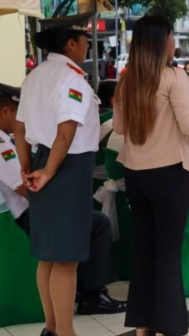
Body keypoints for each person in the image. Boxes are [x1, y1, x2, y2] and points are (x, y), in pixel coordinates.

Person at [113, 16, 189, 336]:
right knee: (168, 254)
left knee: (144, 251)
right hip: (168, 175)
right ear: (163, 42)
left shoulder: (127, 79)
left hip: (135, 175)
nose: (175, 42)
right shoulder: (174, 76)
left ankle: (144, 327)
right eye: (172, 36)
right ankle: (171, 328)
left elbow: (118, 128)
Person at [0, 84, 125, 316]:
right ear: (4, 112)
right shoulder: (2, 144)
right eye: (17, 112)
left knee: (89, 219)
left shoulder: (8, 138)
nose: (22, 120)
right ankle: (93, 295)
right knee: (97, 225)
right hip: (27, 214)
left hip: (35, 208)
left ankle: (83, 292)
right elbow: (22, 188)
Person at [15, 18, 100, 336]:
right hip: (66, 168)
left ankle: (51, 327)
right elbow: (66, 133)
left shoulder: (34, 77)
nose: (87, 46)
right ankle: (66, 332)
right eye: (84, 39)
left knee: (48, 256)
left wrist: (27, 167)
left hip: (40, 162)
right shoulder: (71, 79)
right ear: (71, 44)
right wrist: (49, 171)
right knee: (66, 258)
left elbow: (20, 129)